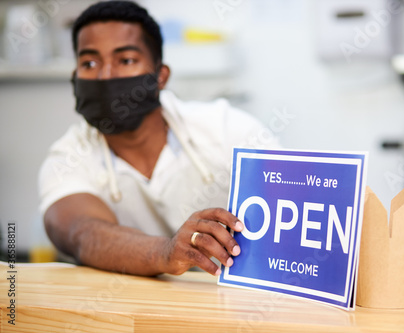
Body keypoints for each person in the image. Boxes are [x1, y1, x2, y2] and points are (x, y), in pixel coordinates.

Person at [38, 1, 278, 277]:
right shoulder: (67, 158)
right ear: (74, 77)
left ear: (160, 76)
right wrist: (165, 252)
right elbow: (82, 232)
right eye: (90, 63)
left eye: (126, 60)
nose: (105, 76)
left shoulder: (227, 129)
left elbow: (291, 199)